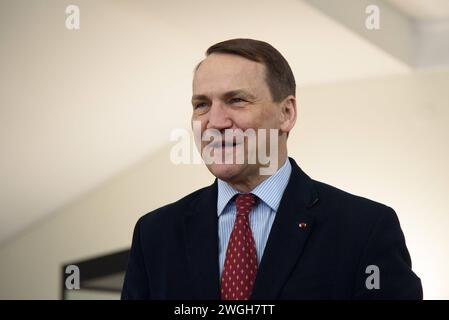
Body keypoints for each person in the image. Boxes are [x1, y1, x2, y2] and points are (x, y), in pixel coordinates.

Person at [121, 38, 422, 300]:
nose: (215, 122)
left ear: (286, 113)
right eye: (201, 104)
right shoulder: (155, 235)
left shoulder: (365, 229)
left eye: (236, 100)